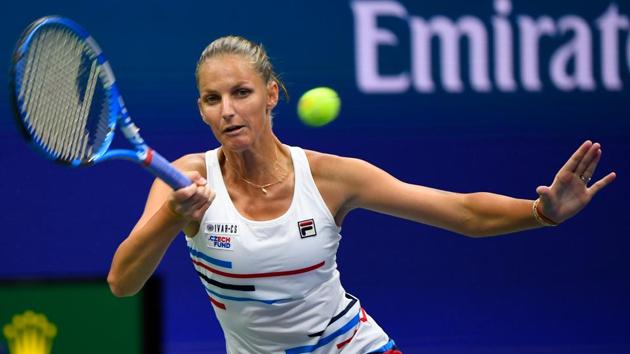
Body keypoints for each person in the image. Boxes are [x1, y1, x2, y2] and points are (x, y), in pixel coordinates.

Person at [107, 35, 616, 354]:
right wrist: (172, 217)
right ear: (200, 110)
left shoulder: (331, 178)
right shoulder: (186, 180)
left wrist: (540, 213)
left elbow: (460, 211)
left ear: (271, 94)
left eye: (241, 93)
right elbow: (122, 283)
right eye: (212, 99)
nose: (228, 110)